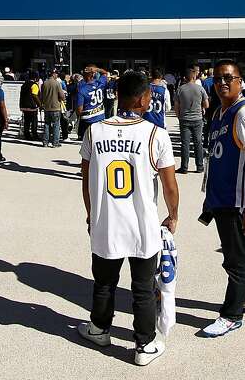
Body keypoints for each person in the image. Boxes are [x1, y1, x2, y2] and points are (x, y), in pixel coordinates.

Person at [77, 71, 179, 365]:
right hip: (142, 224)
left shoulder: (95, 131)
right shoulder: (155, 134)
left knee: (104, 282)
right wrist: (173, 215)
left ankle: (99, 328)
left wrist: (90, 214)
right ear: (144, 98)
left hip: (106, 221)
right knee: (143, 287)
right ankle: (143, 345)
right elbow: (170, 185)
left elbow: (86, 180)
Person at [199, 60, 245, 338]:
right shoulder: (219, 112)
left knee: (235, 260)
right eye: (217, 79)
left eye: (228, 78)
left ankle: (231, 315)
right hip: (221, 197)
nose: (222, 83)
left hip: (237, 201)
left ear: (240, 81)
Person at [176, 68, 206, 173]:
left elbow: (176, 106)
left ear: (185, 77)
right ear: (194, 77)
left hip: (184, 118)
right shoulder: (200, 89)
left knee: (185, 143)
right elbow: (206, 104)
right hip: (197, 119)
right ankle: (200, 166)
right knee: (198, 143)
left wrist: (179, 116)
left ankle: (184, 167)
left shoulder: (180, 89)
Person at [76, 66, 108, 141]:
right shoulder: (100, 83)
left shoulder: (81, 90)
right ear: (93, 74)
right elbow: (105, 73)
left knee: (88, 143)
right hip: (100, 117)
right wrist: (97, 69)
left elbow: (79, 111)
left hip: (88, 121)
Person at [39, 68, 66, 147]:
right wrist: (63, 98)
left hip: (47, 107)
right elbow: (62, 96)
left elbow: (42, 96)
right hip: (55, 107)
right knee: (56, 125)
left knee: (46, 125)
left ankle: (45, 142)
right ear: (53, 74)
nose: (57, 75)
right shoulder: (57, 83)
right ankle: (55, 142)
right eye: (56, 74)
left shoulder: (44, 83)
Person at [19, 70, 41, 140]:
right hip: (32, 106)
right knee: (34, 121)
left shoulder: (24, 84)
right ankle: (34, 135)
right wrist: (39, 104)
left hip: (24, 106)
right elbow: (34, 95)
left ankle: (27, 135)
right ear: (35, 78)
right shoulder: (34, 85)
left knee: (27, 121)